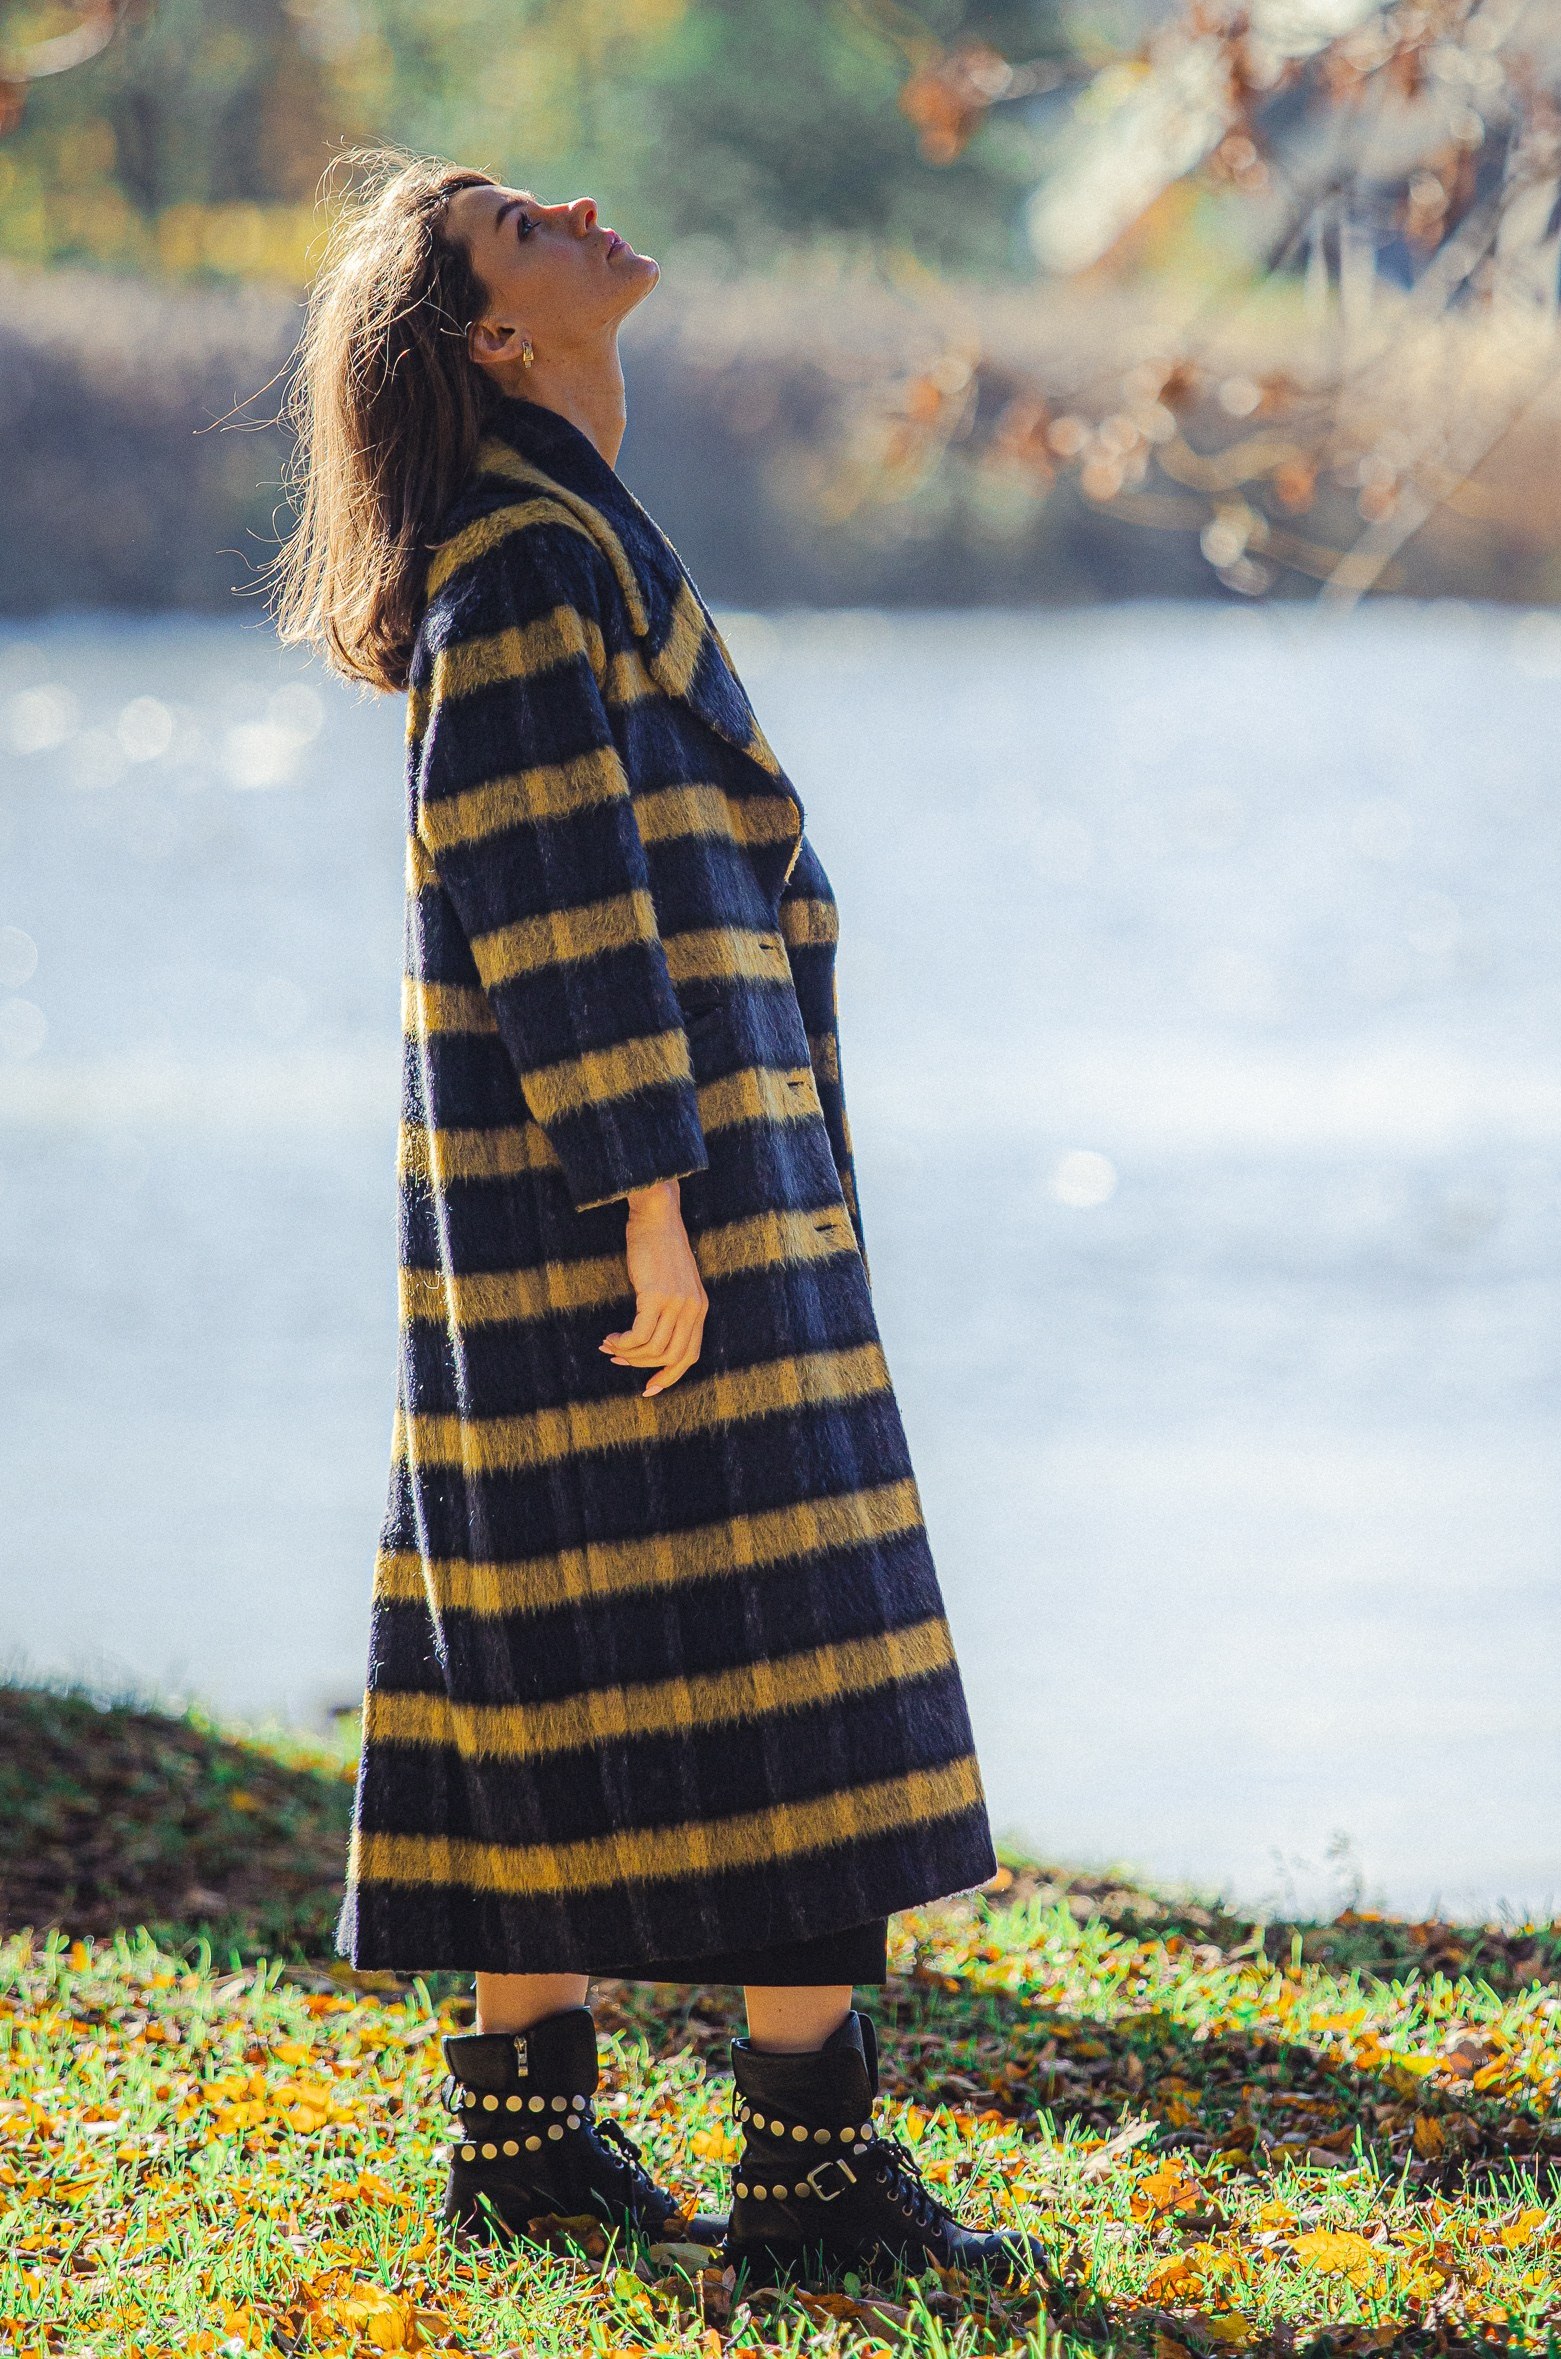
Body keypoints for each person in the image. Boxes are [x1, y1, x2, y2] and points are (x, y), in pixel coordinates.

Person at [272, 153, 1036, 2284]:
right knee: (777, 1647)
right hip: (636, 1211)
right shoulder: (527, 560)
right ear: (499, 336)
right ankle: (809, 2179)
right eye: (526, 225)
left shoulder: (556, 533)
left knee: (552, 1651)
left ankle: (526, 2149)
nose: (582, 211)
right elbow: (551, 900)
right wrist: (652, 1208)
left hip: (641, 1196)